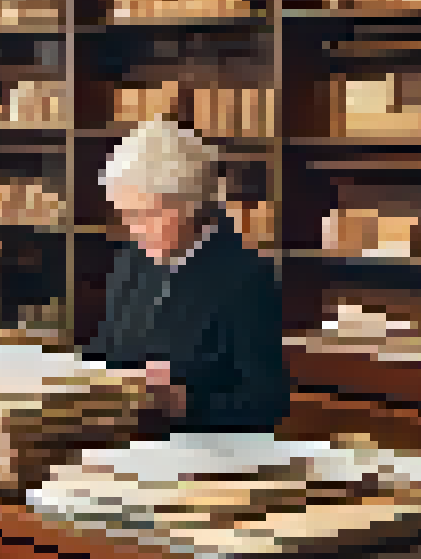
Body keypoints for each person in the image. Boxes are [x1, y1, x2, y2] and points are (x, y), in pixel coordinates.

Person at [83, 119, 290, 431]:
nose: (133, 230)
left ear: (189, 205)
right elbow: (106, 350)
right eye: (125, 215)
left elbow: (267, 402)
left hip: (202, 448)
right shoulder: (133, 259)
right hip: (126, 436)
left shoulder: (246, 277)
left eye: (144, 215)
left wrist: (183, 403)